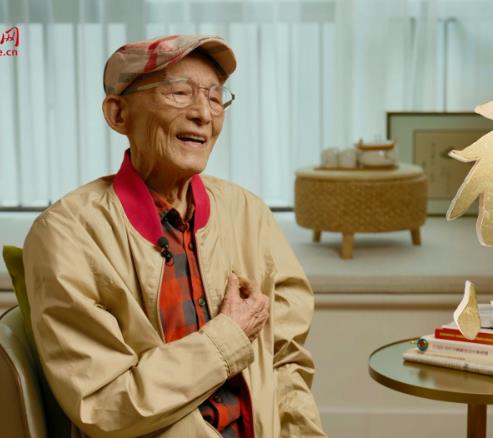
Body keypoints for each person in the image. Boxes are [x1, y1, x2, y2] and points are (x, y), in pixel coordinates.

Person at [23, 34, 326, 438]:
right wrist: (228, 337)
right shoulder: (67, 234)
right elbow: (106, 403)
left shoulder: (248, 214)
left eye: (215, 98)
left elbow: (284, 363)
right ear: (118, 114)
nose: (203, 113)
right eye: (179, 93)